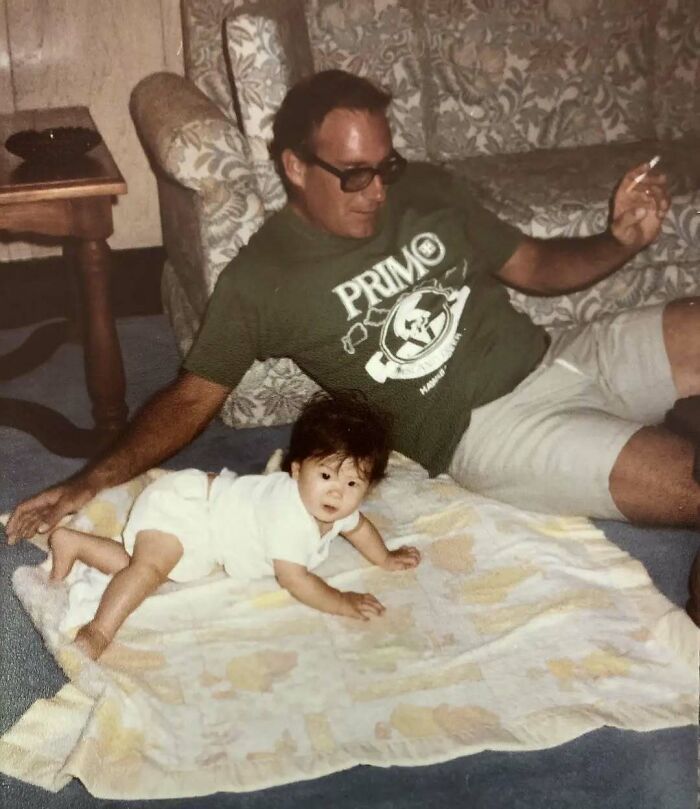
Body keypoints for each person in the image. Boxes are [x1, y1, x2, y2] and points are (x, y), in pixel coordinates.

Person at [6, 70, 699, 613]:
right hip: (492, 430)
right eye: (354, 174)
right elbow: (191, 398)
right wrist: (89, 479)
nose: (376, 192)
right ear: (295, 167)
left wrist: (619, 239)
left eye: (385, 166)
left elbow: (539, 268)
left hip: (563, 352)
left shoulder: (426, 190)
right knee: (684, 481)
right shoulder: (263, 280)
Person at [46, 390, 421, 659]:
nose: (337, 493)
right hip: (192, 506)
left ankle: (74, 543)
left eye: (353, 483)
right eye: (325, 475)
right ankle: (98, 632)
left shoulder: (337, 510)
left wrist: (385, 557)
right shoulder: (288, 517)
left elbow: (360, 528)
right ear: (296, 469)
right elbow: (296, 579)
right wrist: (341, 601)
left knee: (155, 571)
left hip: (210, 535)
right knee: (149, 568)